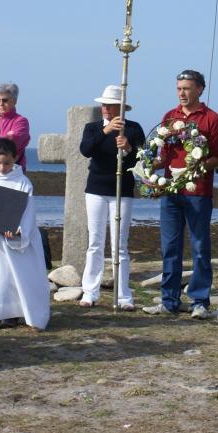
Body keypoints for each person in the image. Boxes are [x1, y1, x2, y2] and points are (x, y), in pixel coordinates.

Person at [143, 70, 218, 319]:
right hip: (170, 192)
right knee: (170, 248)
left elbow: (217, 157)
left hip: (197, 192)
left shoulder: (213, 119)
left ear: (199, 89)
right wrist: (147, 166)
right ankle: (169, 301)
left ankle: (199, 302)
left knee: (200, 247)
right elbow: (163, 155)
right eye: (179, 88)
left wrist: (195, 169)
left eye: (187, 88)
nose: (182, 93)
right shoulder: (170, 116)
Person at [0, 137, 51, 330]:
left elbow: (28, 213)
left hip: (11, 241)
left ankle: (12, 314)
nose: (2, 167)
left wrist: (19, 231)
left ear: (15, 158)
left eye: (6, 163)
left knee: (12, 277)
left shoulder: (23, 183)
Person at [78, 85, 145, 309]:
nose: (105, 108)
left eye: (110, 105)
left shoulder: (133, 129)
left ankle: (123, 296)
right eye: (103, 105)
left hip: (122, 191)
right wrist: (106, 131)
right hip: (96, 189)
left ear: (120, 107)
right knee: (95, 242)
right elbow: (86, 150)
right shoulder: (92, 128)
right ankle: (90, 292)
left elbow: (142, 159)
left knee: (120, 245)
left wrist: (128, 149)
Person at [0, 82, 50, 268]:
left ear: (14, 101)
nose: (0, 104)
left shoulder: (21, 122)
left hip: (12, 182)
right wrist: (1, 140)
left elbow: (12, 145)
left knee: (8, 229)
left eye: (5, 100)